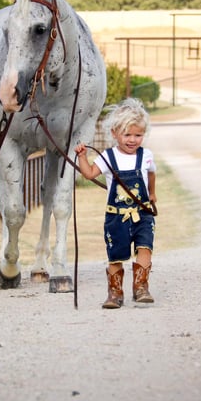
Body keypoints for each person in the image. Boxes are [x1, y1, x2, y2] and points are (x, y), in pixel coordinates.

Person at [74, 97, 157, 309]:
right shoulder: (108, 157)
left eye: (138, 135)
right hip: (116, 217)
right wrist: (83, 157)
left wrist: (152, 195)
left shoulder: (146, 155)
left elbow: (151, 173)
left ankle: (141, 288)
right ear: (114, 133)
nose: (132, 140)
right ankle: (115, 293)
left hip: (142, 214)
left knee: (145, 247)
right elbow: (89, 173)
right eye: (127, 134)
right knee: (115, 256)